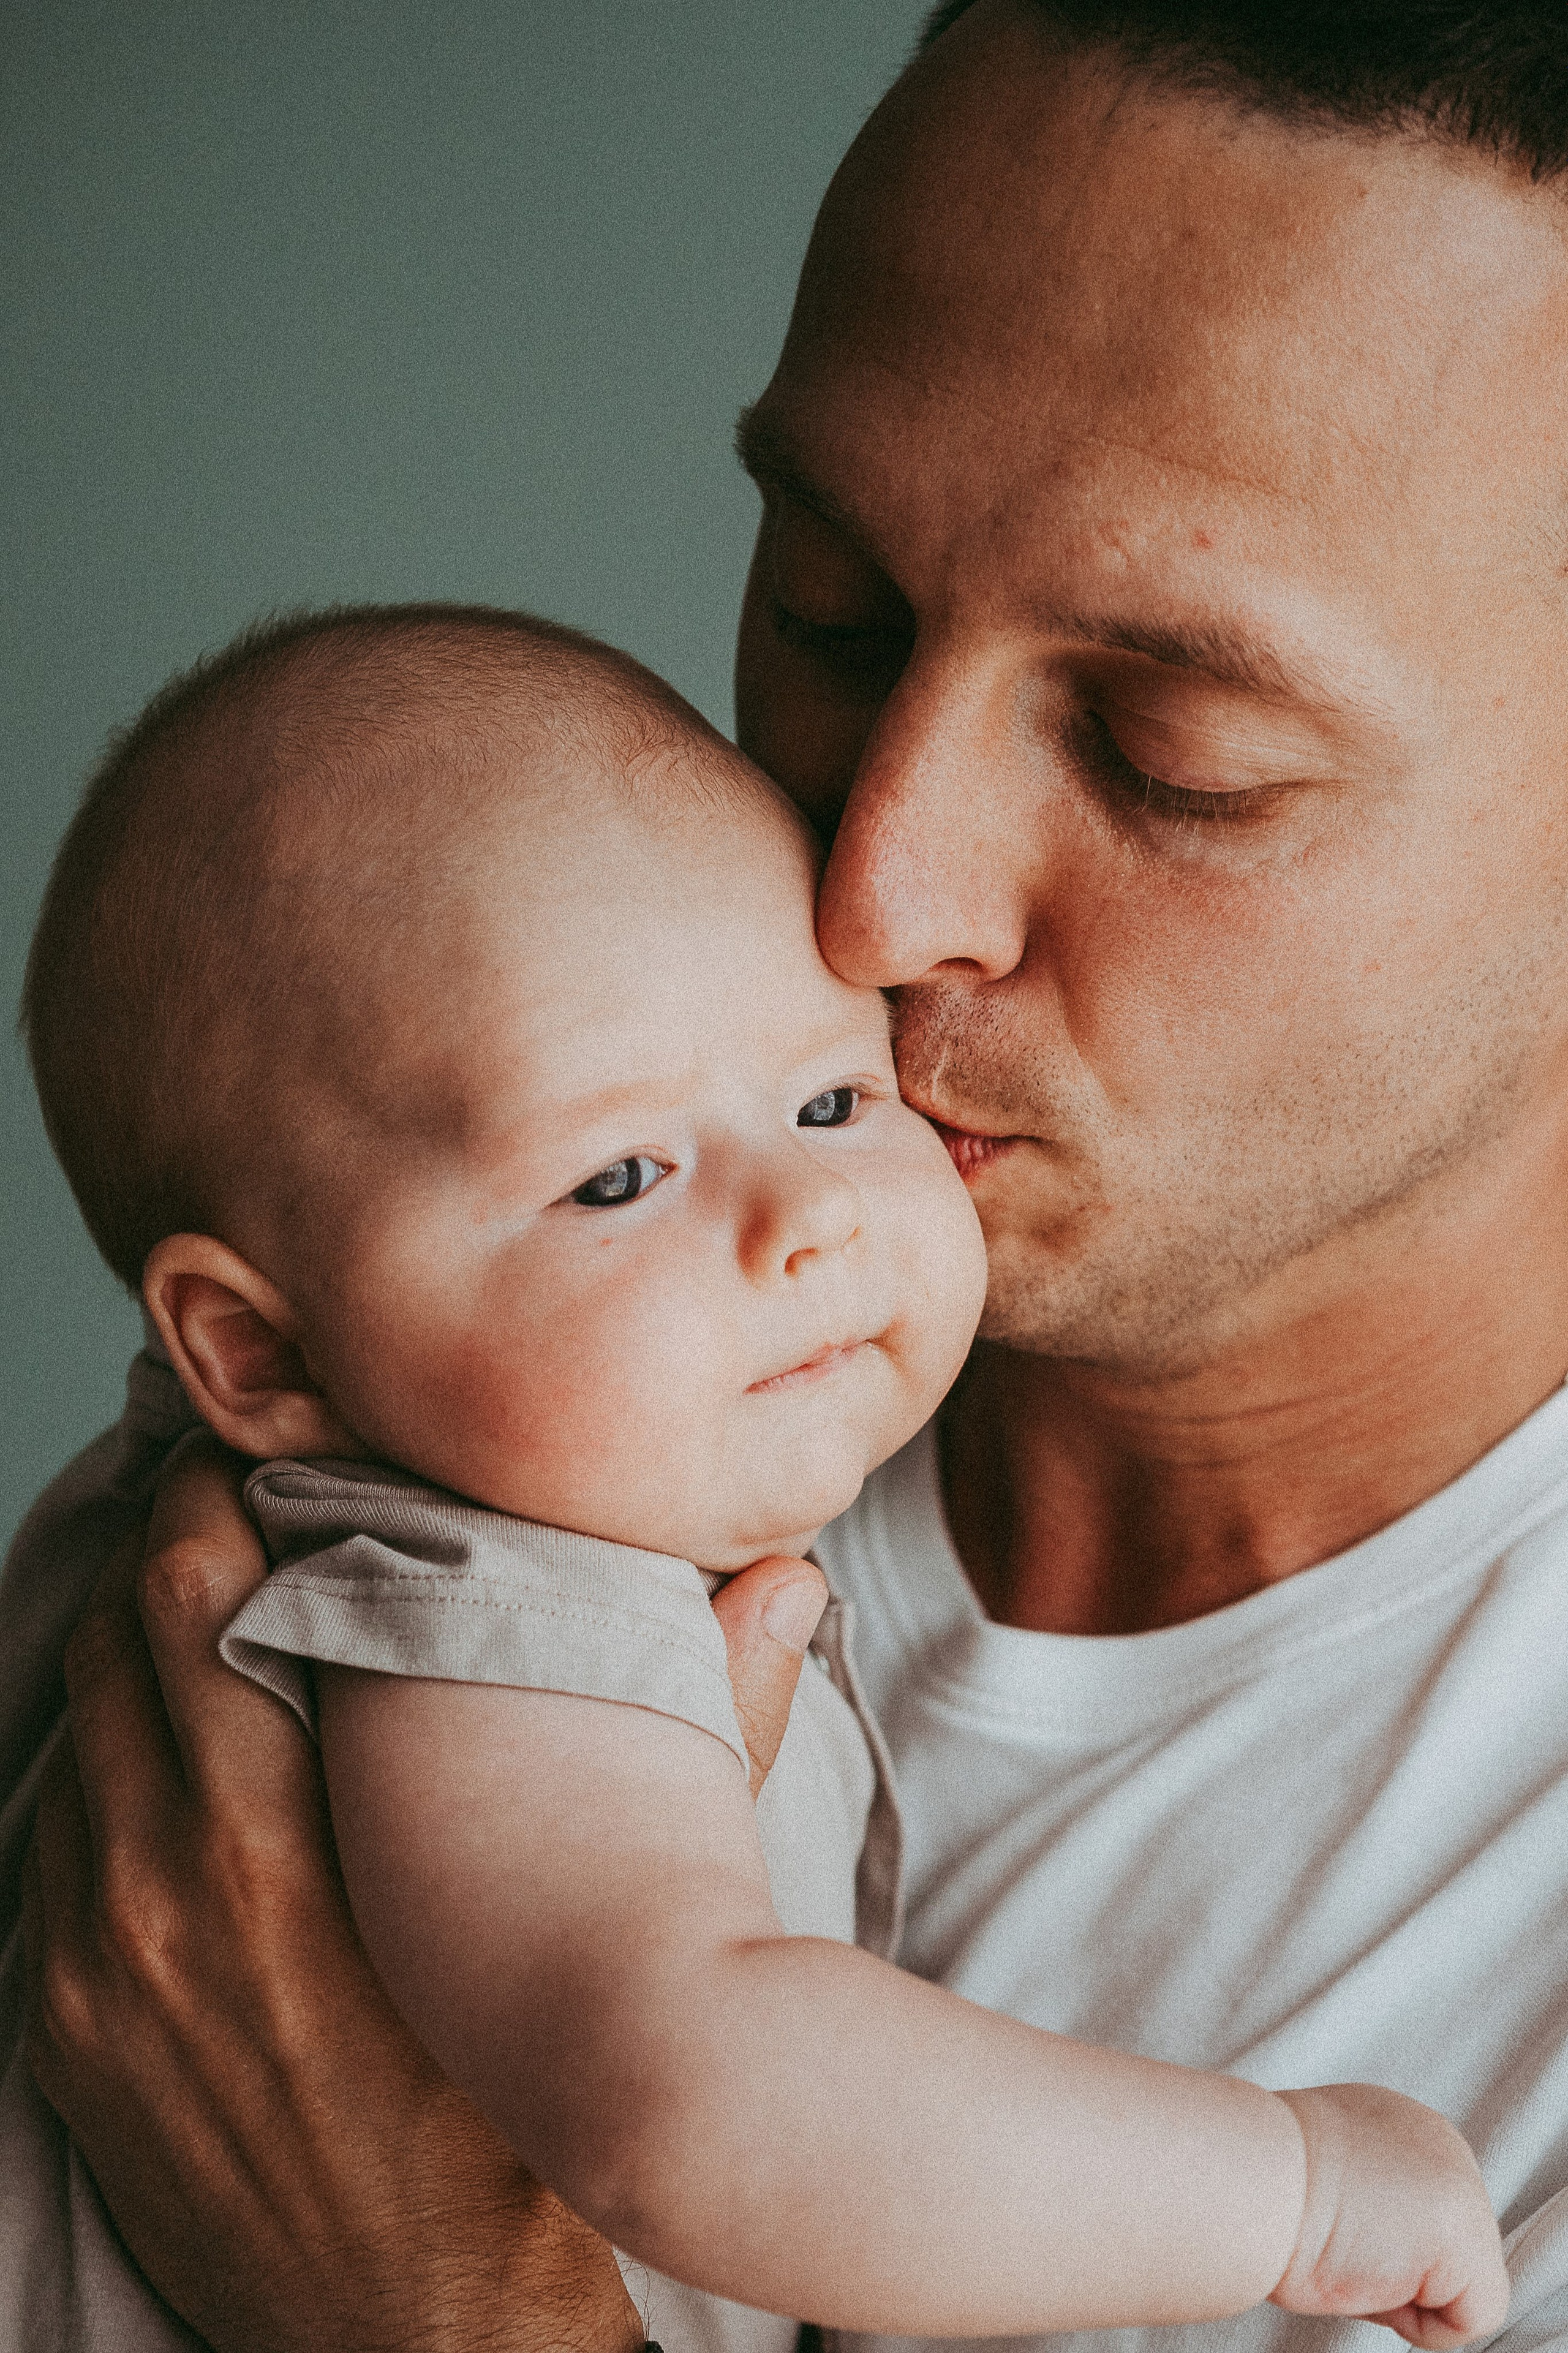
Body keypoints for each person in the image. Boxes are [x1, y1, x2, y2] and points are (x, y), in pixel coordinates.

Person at [13, 0, 1568, 2348]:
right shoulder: (499, 1357)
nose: (866, 892)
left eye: (1177, 755)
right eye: (830, 610)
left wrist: (448, 2318)